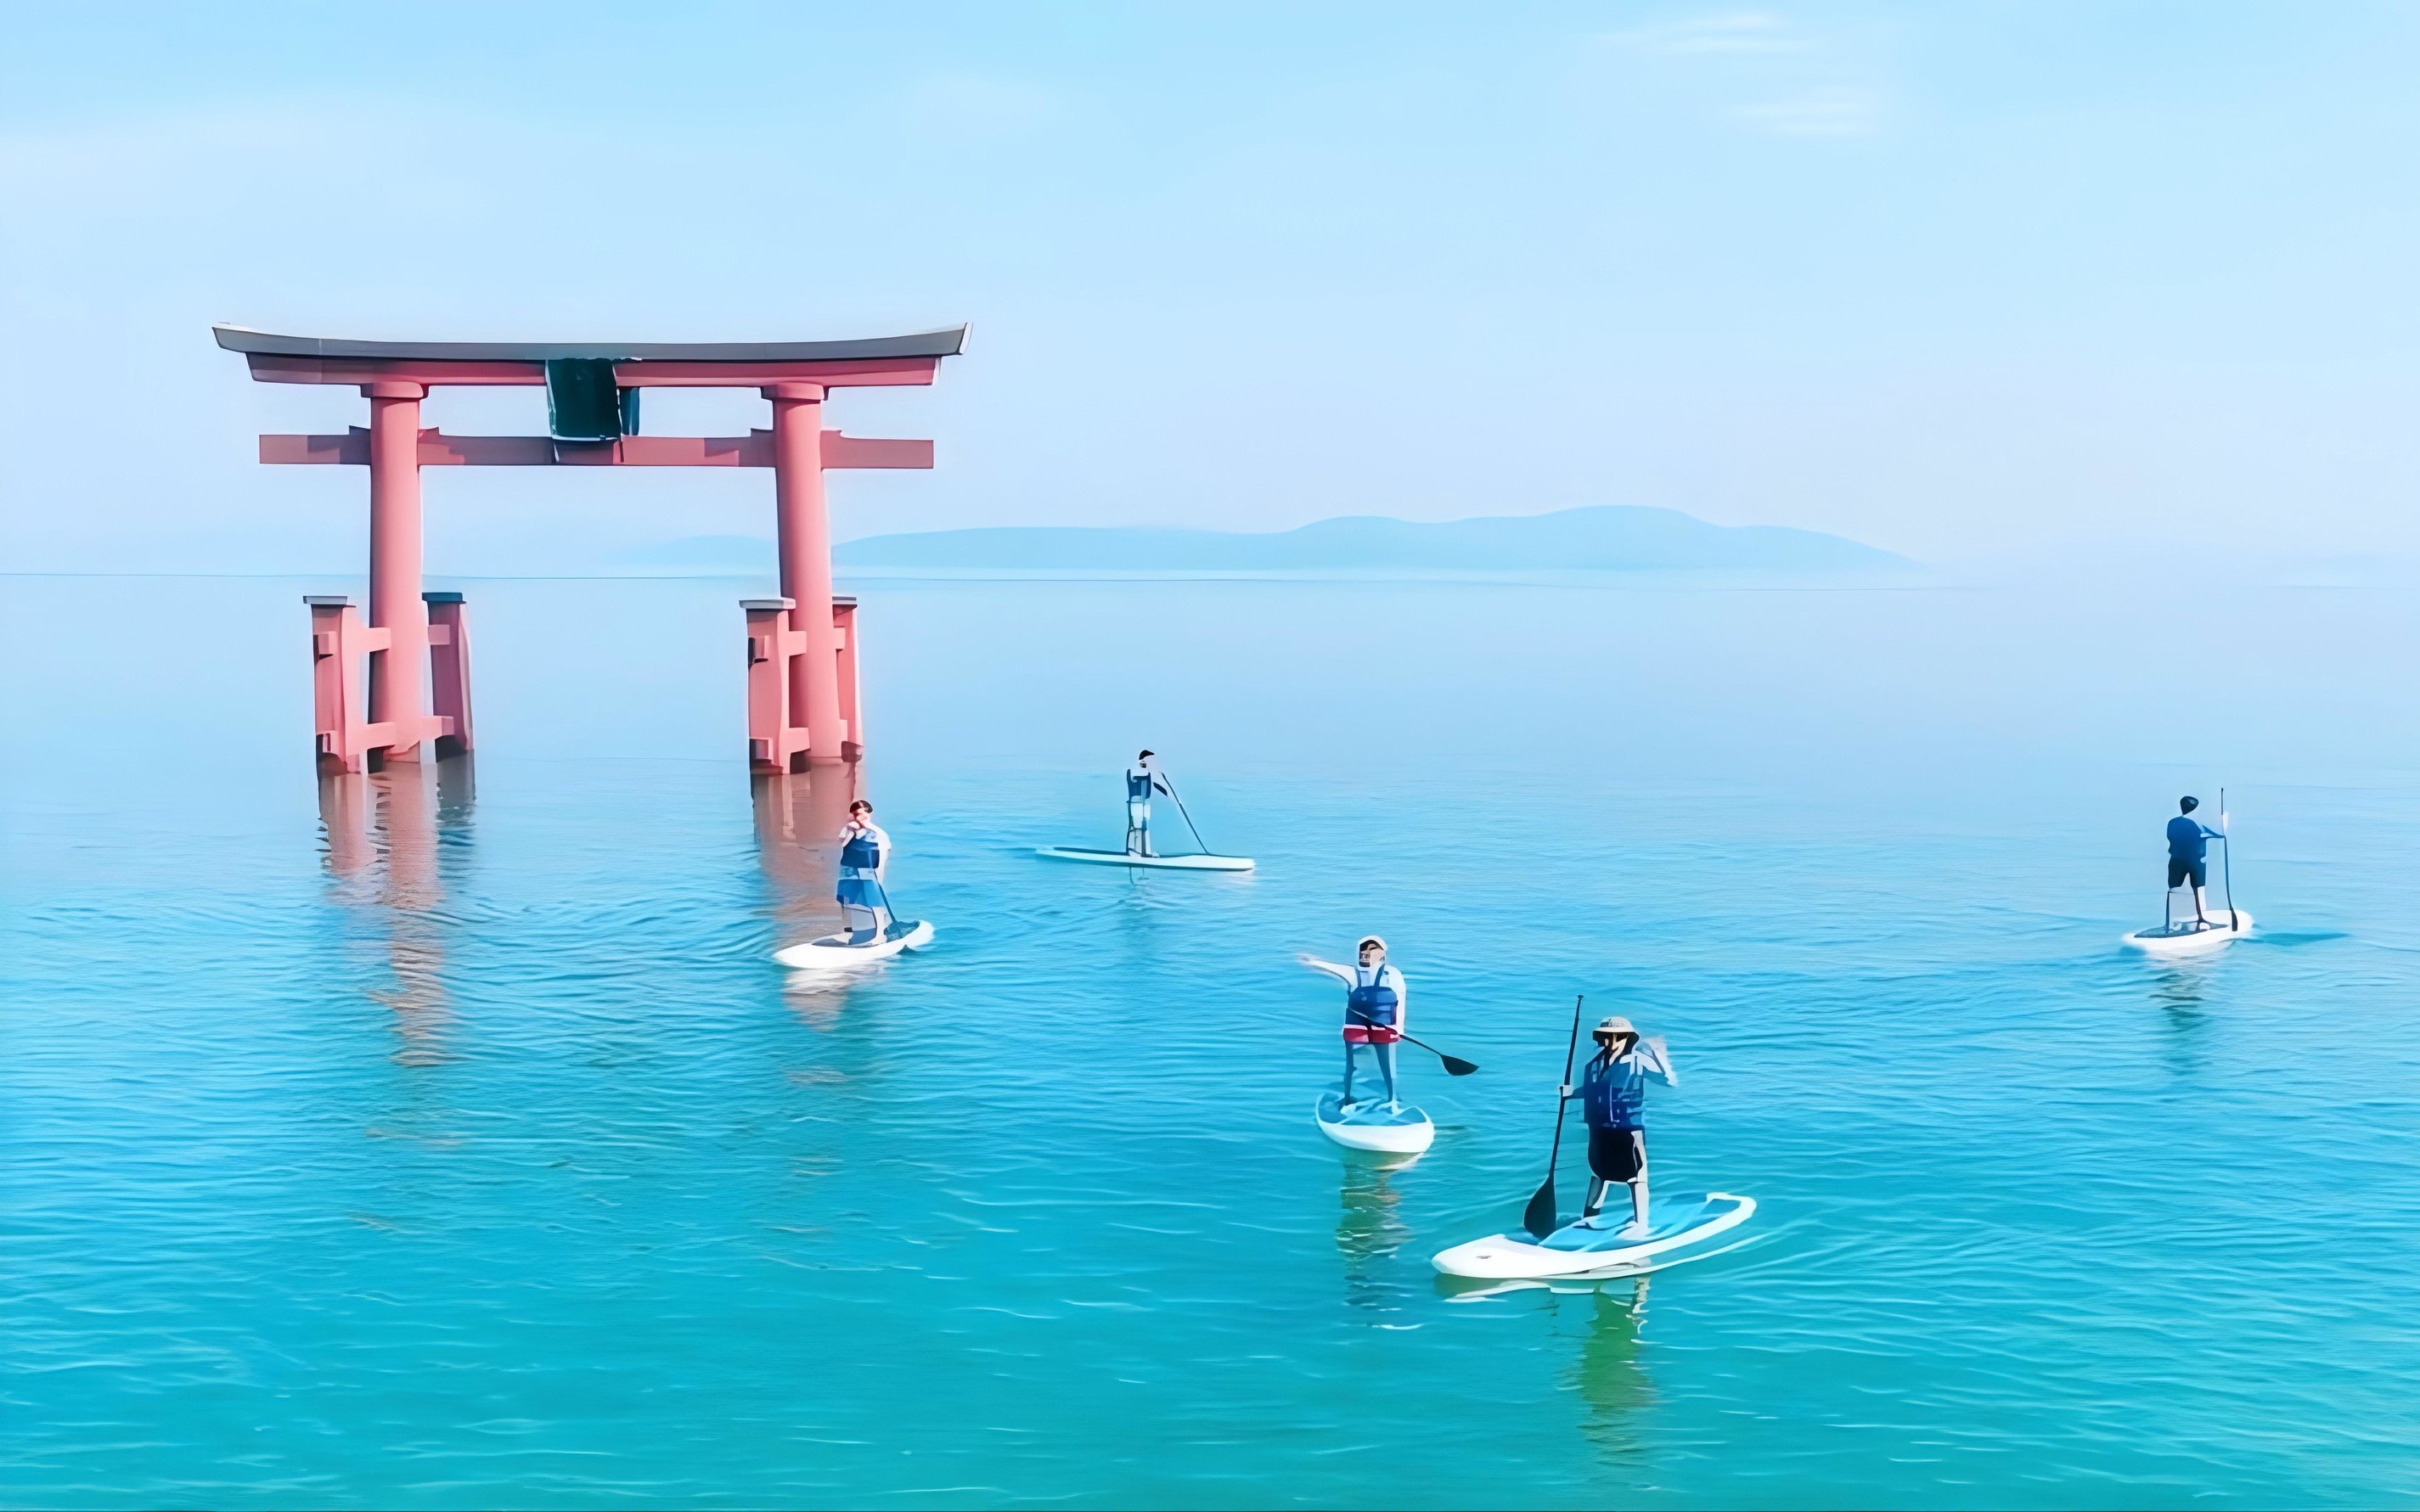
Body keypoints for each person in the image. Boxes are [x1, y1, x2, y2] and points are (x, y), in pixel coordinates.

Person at [1561, 1016, 1677, 1236]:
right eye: (1607, 1037)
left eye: (1618, 1037)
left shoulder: (1638, 1061)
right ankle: (1588, 1220)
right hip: (1599, 1129)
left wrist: (1657, 1055)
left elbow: (1667, 1081)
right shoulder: (1594, 1064)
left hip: (1628, 1129)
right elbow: (1592, 1091)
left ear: (1627, 1038)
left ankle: (1641, 1223)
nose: (1612, 1042)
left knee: (1637, 1175)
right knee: (1599, 1172)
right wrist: (1571, 1094)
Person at [1299, 936, 1409, 1110]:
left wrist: (1399, 1028)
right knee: (1352, 1064)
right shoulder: (1354, 974)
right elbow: (1334, 969)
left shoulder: (1392, 974)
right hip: (1358, 1026)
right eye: (1363, 953)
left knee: (1385, 1063)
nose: (1365, 956)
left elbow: (1400, 1000)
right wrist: (1313, 962)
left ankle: (1391, 1099)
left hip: (1382, 1027)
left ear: (1381, 954)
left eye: (1370, 953)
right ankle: (1348, 1100)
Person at [836, 799, 892, 943]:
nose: (858, 817)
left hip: (867, 870)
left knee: (873, 900)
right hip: (849, 868)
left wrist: (879, 876)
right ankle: (850, 930)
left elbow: (882, 856)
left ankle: (880, 933)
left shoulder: (878, 833)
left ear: (868, 814)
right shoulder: (849, 829)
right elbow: (843, 844)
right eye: (855, 814)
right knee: (847, 898)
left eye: (861, 814)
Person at [2166, 795, 2226, 926]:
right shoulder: (2196, 825)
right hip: (2194, 862)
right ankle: (2200, 918)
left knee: (2175, 888)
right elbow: (2216, 835)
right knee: (2197, 889)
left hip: (2177, 861)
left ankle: (2172, 922)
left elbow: (2172, 837)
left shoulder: (2173, 822)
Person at [1125, 750, 1173, 857]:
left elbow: (1157, 785)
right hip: (1136, 803)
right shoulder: (1136, 771)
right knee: (1137, 827)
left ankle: (1145, 852)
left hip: (1144, 803)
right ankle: (1136, 851)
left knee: (1144, 827)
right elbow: (1143, 779)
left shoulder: (1146, 772)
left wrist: (1169, 795)